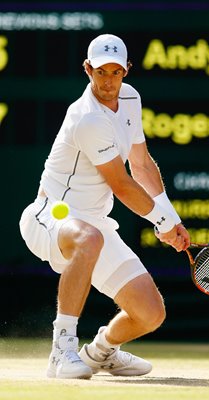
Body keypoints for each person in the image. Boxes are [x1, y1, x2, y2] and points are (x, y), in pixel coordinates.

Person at [19, 34, 190, 380]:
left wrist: (172, 219)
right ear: (87, 70)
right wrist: (161, 223)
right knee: (89, 238)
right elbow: (123, 184)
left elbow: (141, 165)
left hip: (94, 222)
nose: (108, 81)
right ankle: (61, 351)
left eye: (115, 72)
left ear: (126, 70)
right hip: (51, 215)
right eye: (100, 72)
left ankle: (100, 352)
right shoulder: (87, 118)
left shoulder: (130, 99)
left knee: (150, 313)